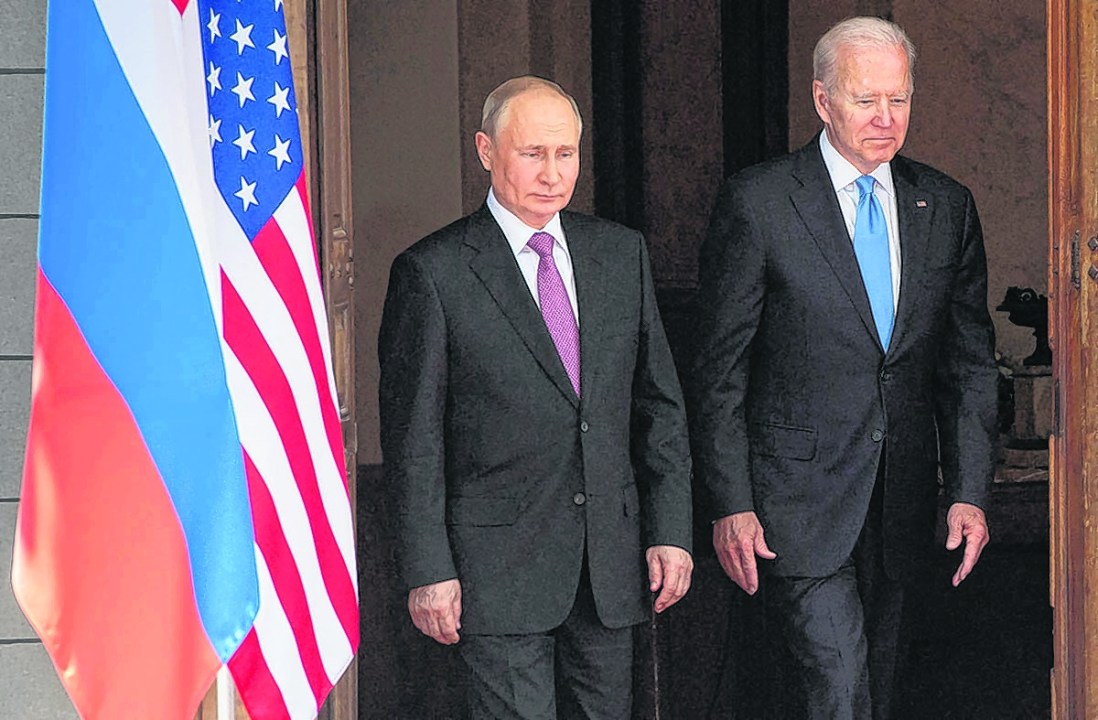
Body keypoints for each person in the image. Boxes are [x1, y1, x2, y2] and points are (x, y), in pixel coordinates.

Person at [688, 17, 997, 720]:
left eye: (900, 98)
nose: (886, 117)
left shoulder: (945, 206)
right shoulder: (760, 202)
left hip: (903, 509)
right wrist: (731, 502)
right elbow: (718, 371)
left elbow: (969, 365)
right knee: (838, 683)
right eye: (866, 100)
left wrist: (969, 491)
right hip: (794, 509)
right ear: (822, 100)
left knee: (877, 693)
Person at [378, 75, 694, 719]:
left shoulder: (620, 254)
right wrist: (427, 568)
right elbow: (415, 439)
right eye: (532, 154)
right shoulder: (433, 272)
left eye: (566, 154)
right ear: (486, 151)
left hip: (608, 569)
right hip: (495, 573)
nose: (552, 174)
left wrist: (671, 531)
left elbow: (657, 407)